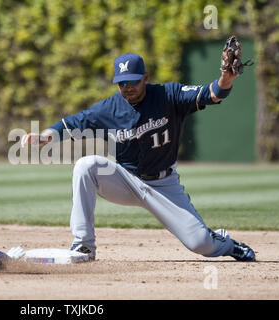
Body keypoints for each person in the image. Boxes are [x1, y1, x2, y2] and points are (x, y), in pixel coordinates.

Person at [21, 41, 256, 262]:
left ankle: (226, 243)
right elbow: (70, 124)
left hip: (164, 185)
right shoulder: (108, 108)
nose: (128, 87)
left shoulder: (168, 95)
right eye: (122, 83)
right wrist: (44, 136)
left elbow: (213, 93)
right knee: (86, 165)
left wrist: (227, 77)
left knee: (200, 244)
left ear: (146, 77)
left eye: (133, 81)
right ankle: (84, 244)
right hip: (126, 180)